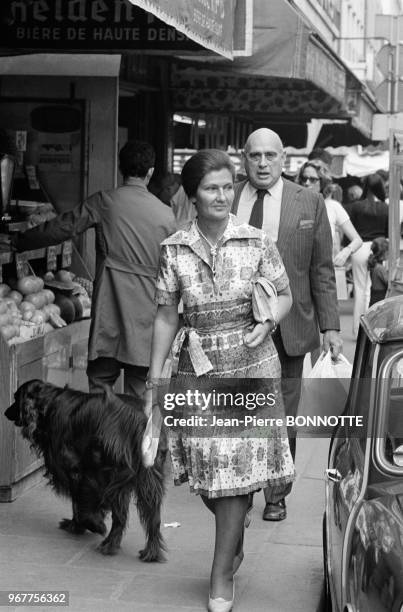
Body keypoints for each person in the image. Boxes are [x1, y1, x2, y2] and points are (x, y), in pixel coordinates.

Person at [145, 149, 295, 611]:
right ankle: (233, 536)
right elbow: (167, 315)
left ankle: (219, 575)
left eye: (228, 187)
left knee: (233, 474)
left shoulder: (256, 242)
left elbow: (284, 295)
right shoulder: (174, 248)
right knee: (211, 478)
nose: (222, 196)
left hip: (251, 366)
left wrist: (269, 322)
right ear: (192, 196)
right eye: (212, 188)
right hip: (197, 370)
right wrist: (155, 379)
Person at [232, 128, 342, 522]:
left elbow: (322, 269)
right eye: (255, 156)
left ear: (284, 160)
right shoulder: (227, 199)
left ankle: (277, 494)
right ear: (243, 159)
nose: (262, 163)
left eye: (270, 156)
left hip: (292, 328)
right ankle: (240, 492)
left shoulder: (309, 202)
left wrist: (331, 327)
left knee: (283, 416)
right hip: (237, 328)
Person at [7, 140, 176, 396]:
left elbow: (63, 227)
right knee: (141, 397)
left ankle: (99, 435)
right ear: (151, 171)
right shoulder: (167, 216)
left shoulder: (105, 201)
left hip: (110, 308)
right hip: (146, 314)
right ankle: (139, 436)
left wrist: (21, 240)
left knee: (99, 391)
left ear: (120, 168)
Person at [297, 160, 362, 265]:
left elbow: (357, 240)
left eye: (313, 179)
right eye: (304, 178)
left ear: (322, 182)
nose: (307, 183)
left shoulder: (332, 206)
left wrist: (345, 252)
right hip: (299, 269)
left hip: (324, 271)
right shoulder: (294, 204)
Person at [348, 173, 388, 336]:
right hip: (378, 248)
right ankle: (371, 328)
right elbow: (388, 232)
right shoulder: (385, 208)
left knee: (359, 289)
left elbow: (350, 233)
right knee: (374, 290)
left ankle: (358, 330)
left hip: (359, 248)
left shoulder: (356, 206)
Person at [368, 237, 389, 306]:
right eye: (387, 251)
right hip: (380, 297)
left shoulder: (374, 265)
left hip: (374, 296)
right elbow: (388, 283)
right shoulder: (380, 268)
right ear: (383, 253)